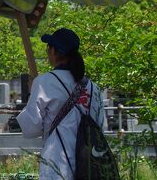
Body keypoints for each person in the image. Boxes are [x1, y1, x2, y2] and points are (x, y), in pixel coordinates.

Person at [16, 27, 106, 180]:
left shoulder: (43, 83)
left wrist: (32, 92)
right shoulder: (93, 88)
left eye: (48, 48)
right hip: (90, 165)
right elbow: (100, 125)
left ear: (54, 51)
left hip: (57, 162)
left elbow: (31, 128)